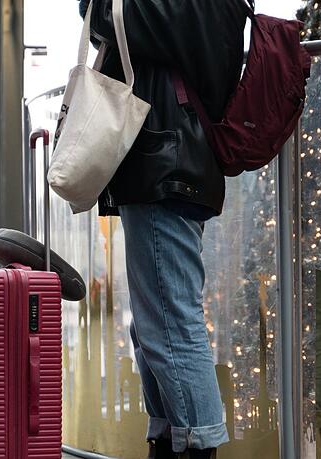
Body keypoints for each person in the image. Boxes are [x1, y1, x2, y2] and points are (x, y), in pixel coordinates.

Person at [79, 1, 249, 458]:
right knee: (156, 321)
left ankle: (195, 441)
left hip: (166, 165)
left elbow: (104, 16)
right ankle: (172, 436)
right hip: (172, 163)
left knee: (171, 322)